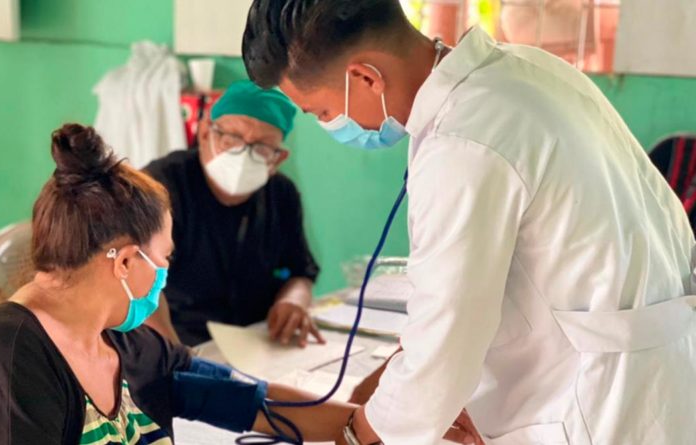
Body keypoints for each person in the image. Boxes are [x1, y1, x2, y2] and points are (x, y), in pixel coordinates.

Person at [242, 1, 696, 444]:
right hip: (653, 369)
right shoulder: (526, 69)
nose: (332, 125)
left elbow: (445, 342)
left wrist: (359, 433)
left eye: (322, 112)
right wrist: (405, 386)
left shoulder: (463, 140)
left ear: (365, 77)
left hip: (596, 400)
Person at [0, 124, 355, 444]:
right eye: (164, 257)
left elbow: (252, 402)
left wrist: (367, 427)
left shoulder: (125, 346)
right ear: (123, 262)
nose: (165, 272)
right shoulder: (5, 362)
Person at [144, 80, 324, 347]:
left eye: (261, 147)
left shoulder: (281, 195)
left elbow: (301, 271)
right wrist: (175, 359)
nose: (242, 156)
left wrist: (294, 299)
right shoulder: (160, 187)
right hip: (177, 340)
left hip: (258, 340)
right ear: (205, 132)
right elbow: (132, 285)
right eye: (231, 139)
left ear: (277, 159)